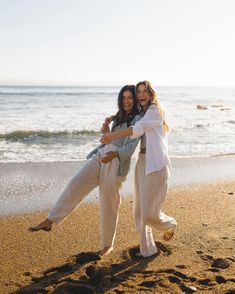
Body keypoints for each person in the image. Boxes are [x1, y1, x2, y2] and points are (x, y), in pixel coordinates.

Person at [30, 85, 142, 256]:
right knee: (76, 183)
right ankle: (50, 220)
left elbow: (130, 148)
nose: (126, 101)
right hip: (100, 155)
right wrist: (106, 131)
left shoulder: (138, 121)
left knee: (108, 203)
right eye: (123, 97)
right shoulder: (118, 118)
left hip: (115, 161)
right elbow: (107, 140)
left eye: (130, 98)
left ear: (135, 100)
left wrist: (114, 154)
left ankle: (107, 245)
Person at [101, 81, 177, 257]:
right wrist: (113, 118)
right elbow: (130, 115)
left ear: (151, 94)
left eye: (145, 91)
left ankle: (169, 224)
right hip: (142, 161)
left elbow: (138, 127)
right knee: (139, 211)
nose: (141, 94)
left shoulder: (155, 111)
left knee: (150, 213)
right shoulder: (142, 112)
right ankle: (147, 250)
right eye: (139, 92)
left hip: (156, 163)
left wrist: (113, 134)